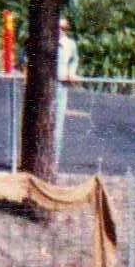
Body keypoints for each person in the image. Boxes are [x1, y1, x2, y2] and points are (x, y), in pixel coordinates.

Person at [56, 16, 79, 165]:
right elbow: (25, 57)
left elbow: (75, 59)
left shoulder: (70, 44)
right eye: (58, 27)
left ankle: (54, 161)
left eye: (63, 28)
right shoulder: (44, 42)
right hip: (44, 88)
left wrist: (71, 72)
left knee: (57, 126)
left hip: (61, 86)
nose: (60, 31)